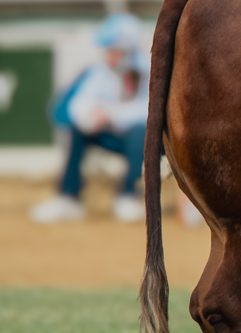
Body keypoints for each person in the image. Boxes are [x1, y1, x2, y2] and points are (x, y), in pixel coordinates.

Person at [30, 14, 151, 224]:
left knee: (140, 131)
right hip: (110, 137)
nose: (108, 55)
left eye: (114, 50)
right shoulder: (100, 72)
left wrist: (111, 115)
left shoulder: (150, 73)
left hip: (146, 144)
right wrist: (91, 115)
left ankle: (128, 196)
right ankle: (68, 198)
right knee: (76, 130)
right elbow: (77, 105)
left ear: (127, 51)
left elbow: (148, 113)